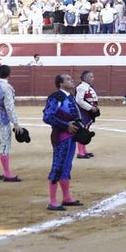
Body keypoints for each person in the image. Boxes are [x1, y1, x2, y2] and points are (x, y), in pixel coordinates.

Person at [42, 73, 83, 211]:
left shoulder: (69, 97)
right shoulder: (56, 97)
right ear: (60, 83)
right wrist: (66, 126)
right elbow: (47, 117)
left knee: (66, 166)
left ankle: (66, 197)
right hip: (61, 136)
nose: (72, 81)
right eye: (68, 79)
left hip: (71, 136)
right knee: (58, 166)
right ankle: (52, 201)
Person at [74, 69, 101, 159]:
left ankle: (84, 151)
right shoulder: (82, 87)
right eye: (91, 76)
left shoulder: (87, 87)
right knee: (83, 131)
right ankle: (81, 152)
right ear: (85, 78)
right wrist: (90, 107)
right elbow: (79, 100)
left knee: (85, 130)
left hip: (87, 112)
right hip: (83, 112)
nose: (93, 78)